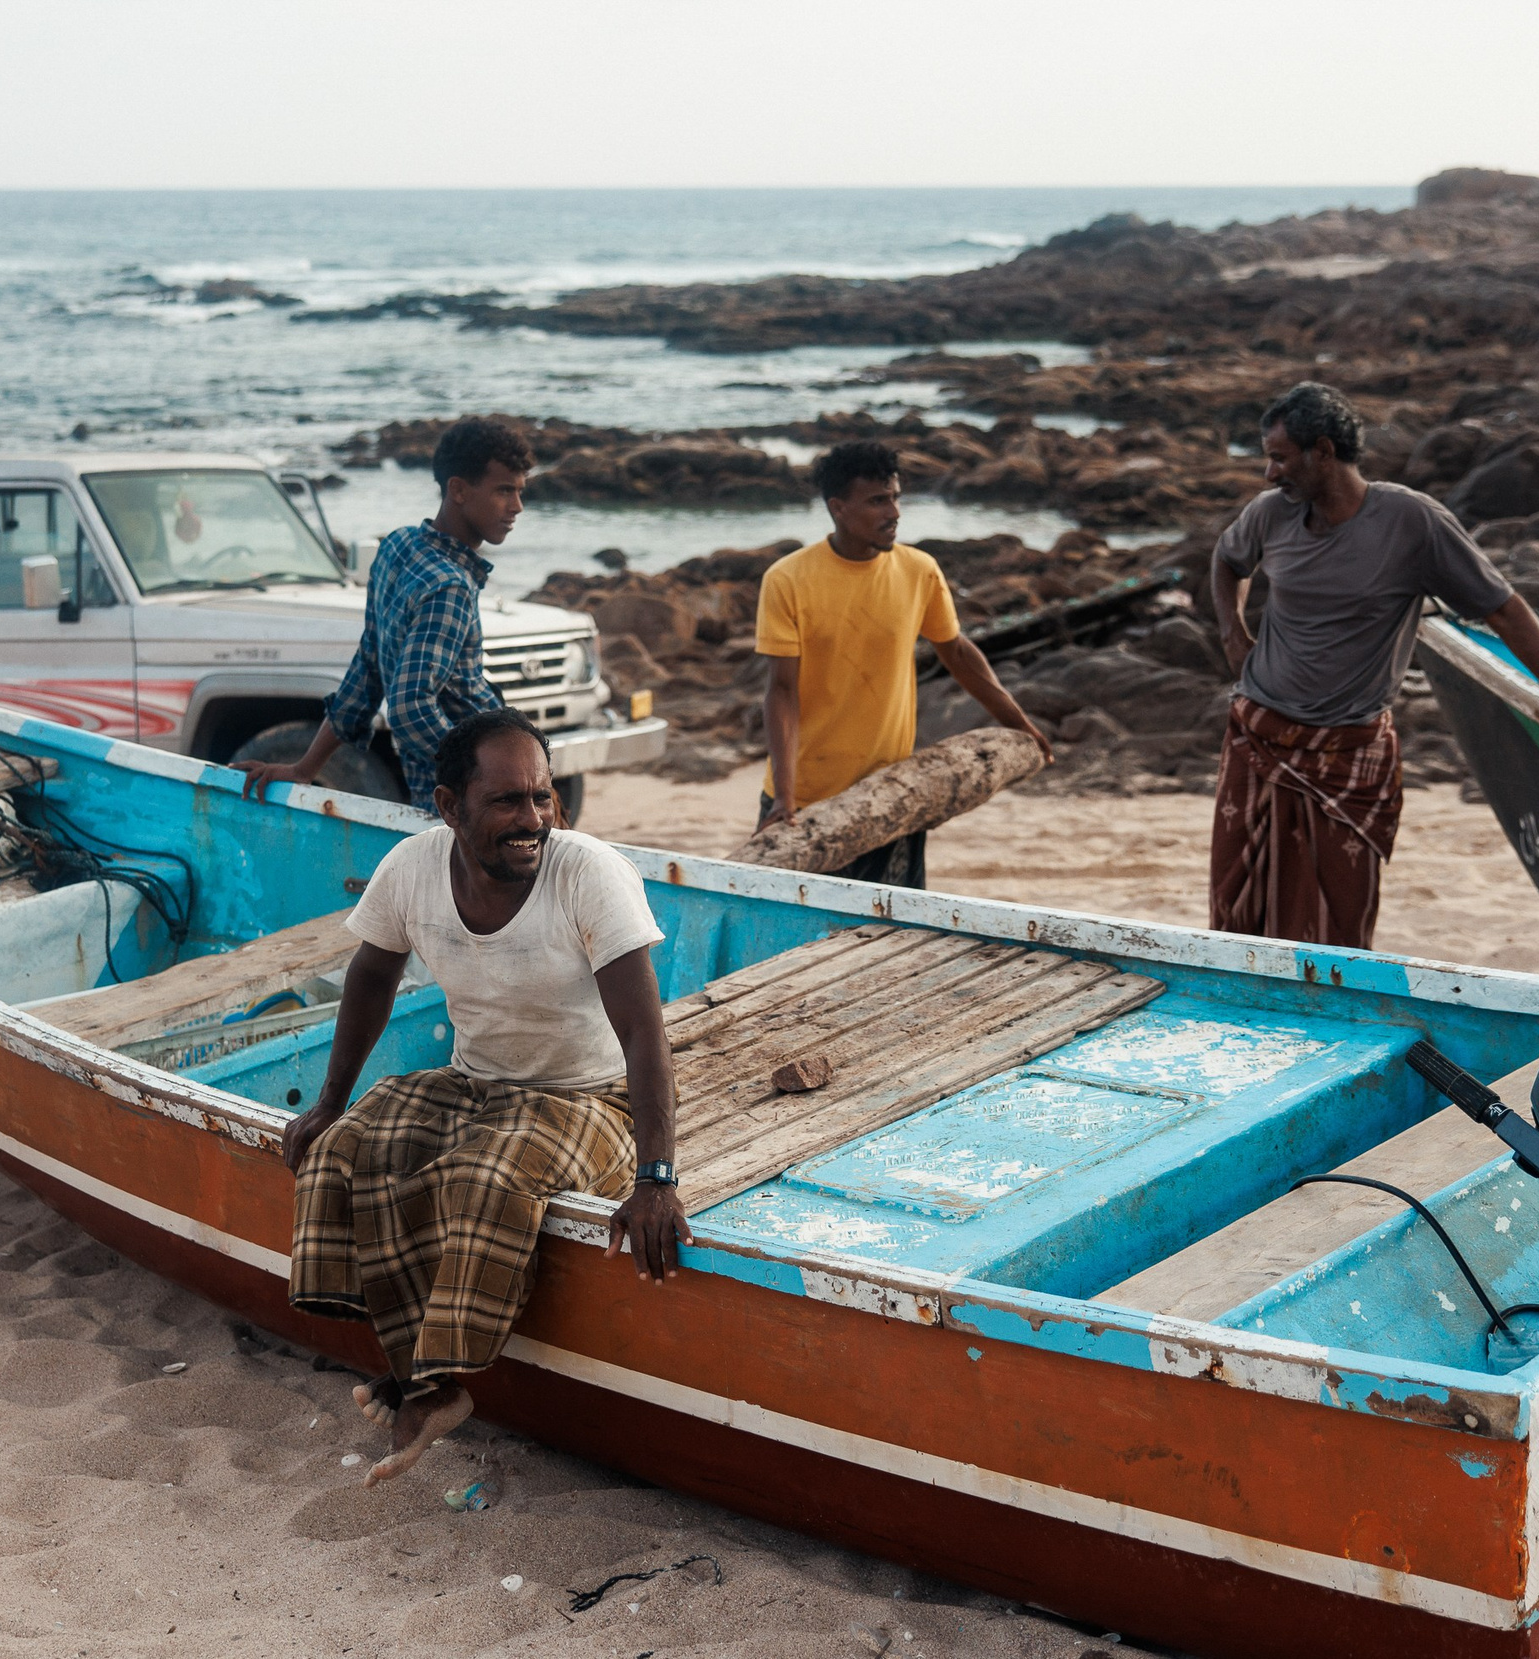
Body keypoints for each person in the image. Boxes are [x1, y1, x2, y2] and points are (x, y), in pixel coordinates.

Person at [283, 708, 686, 1483]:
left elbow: (644, 1035)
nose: (531, 818)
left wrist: (656, 1177)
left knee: (484, 1178)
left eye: (542, 797)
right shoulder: (412, 867)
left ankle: (435, 1380)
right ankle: (424, 1379)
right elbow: (370, 975)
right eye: (506, 801)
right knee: (342, 1152)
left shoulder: (589, 873)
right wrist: (329, 1102)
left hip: (591, 1098)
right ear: (448, 806)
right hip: (477, 1082)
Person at [1208, 382, 1539, 949]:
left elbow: (1505, 610)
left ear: (1324, 452)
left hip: (1347, 759)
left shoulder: (1411, 522)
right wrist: (1233, 632)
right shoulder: (1270, 516)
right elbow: (1226, 560)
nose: (1269, 474)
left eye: (1280, 458)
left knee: (1339, 931)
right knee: (1237, 916)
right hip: (1256, 740)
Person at [755, 440, 1053, 887]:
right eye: (878, 501)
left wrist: (1020, 723)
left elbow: (955, 651)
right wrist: (786, 795)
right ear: (838, 508)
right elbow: (782, 691)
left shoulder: (919, 571)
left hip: (891, 797)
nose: (894, 512)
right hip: (805, 801)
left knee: (891, 937)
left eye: (895, 497)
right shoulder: (787, 579)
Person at [237, 417, 528, 808]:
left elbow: (368, 668)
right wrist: (485, 780)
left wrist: (306, 767)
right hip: (468, 804)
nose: (517, 507)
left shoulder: (397, 547)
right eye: (504, 490)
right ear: (458, 489)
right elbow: (410, 709)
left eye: (520, 491)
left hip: (447, 793)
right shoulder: (450, 586)